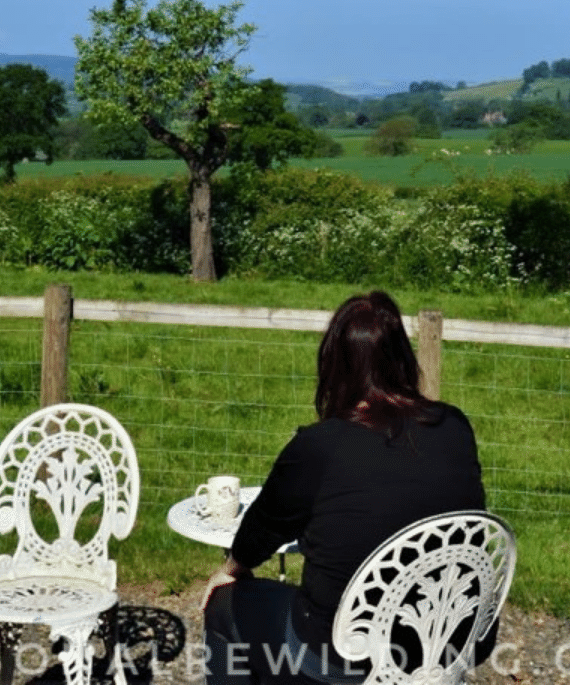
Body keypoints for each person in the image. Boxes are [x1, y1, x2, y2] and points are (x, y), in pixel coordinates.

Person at [201, 290, 488, 685]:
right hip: (443, 643)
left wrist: (229, 570)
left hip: (340, 660)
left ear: (334, 366)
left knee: (223, 606)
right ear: (404, 359)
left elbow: (262, 529)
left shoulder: (319, 445)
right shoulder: (454, 427)